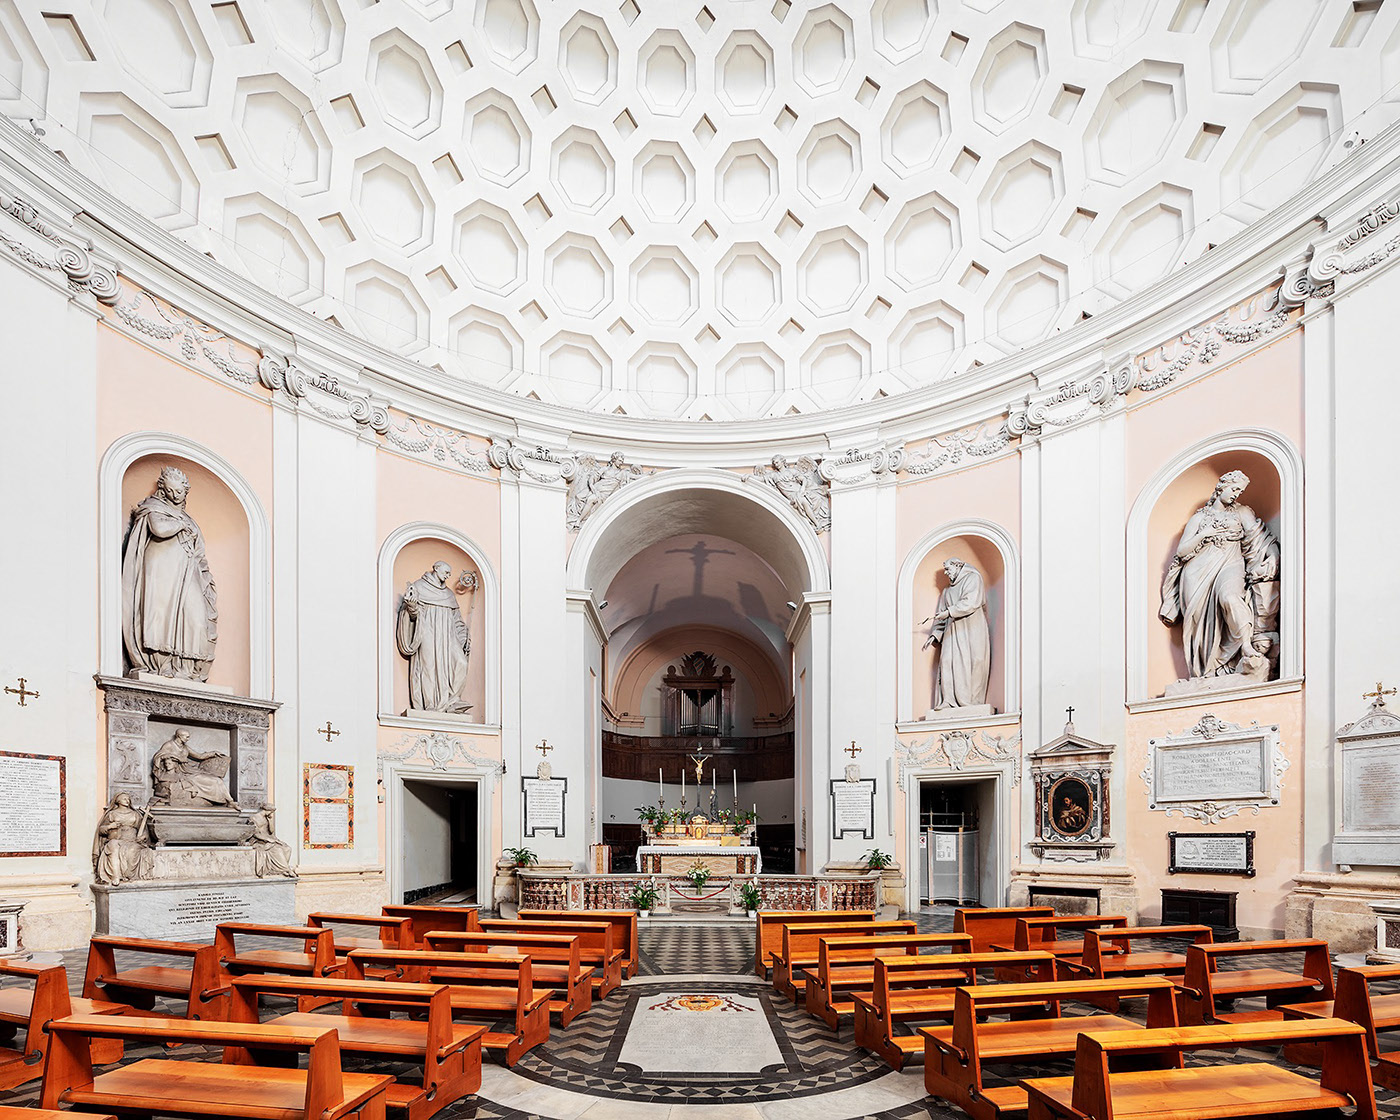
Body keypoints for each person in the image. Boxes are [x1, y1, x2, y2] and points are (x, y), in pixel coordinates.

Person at [1159, 470, 1280, 680]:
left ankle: (1246, 646)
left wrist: (1273, 555)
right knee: (1199, 621)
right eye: (1234, 489)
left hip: (1230, 565)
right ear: (1221, 487)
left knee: (1230, 597)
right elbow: (1183, 551)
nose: (1236, 494)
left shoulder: (1242, 513)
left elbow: (1260, 539)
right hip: (1197, 573)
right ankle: (1206, 670)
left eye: (1239, 491)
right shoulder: (1199, 519)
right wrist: (1204, 534)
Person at [120, 465, 218, 681]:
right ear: (163, 489)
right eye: (170, 490)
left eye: (179, 491)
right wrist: (180, 525)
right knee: (161, 614)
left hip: (188, 572)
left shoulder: (188, 519)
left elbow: (199, 550)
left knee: (195, 616)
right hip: (161, 570)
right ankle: (160, 665)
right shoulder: (153, 508)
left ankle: (186, 668)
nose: (175, 495)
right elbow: (160, 529)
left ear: (186, 491)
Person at [396, 561, 473, 713]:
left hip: (448, 636)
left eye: (450, 573)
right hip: (427, 631)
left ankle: (453, 701)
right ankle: (430, 704)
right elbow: (412, 615)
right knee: (428, 666)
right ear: (436, 569)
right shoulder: (419, 587)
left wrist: (464, 637)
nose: (448, 575)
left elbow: (457, 620)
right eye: (446, 572)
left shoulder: (449, 594)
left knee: (461, 662)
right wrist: (412, 606)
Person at [922, 558, 991, 709]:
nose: (946, 573)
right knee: (947, 661)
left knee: (973, 662)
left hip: (971, 628)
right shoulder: (946, 592)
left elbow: (971, 602)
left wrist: (949, 612)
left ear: (958, 566)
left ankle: (971, 701)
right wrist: (935, 635)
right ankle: (948, 700)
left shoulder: (973, 578)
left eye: (948, 569)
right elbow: (940, 615)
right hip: (951, 632)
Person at [150, 728, 238, 807]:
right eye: (186, 737)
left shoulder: (185, 747)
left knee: (217, 780)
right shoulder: (169, 745)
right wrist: (175, 757)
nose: (188, 739)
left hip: (188, 771)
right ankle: (228, 801)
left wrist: (213, 753)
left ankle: (230, 801)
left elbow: (199, 756)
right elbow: (158, 757)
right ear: (179, 736)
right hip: (180, 774)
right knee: (211, 781)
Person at [93, 793, 153, 885]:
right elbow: (101, 830)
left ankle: (128, 875)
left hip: (132, 840)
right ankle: (115, 875)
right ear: (118, 800)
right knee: (112, 846)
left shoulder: (135, 814)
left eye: (128, 799)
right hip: (116, 839)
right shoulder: (112, 814)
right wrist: (110, 826)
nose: (127, 801)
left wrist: (142, 837)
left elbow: (144, 830)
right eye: (124, 799)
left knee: (132, 850)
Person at [249, 803, 294, 878]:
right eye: (271, 811)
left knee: (287, 848)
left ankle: (280, 870)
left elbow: (271, 831)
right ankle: (286, 869)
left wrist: (270, 821)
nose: (271, 813)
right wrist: (268, 839)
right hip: (259, 840)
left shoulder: (267, 818)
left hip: (269, 838)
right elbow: (254, 833)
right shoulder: (254, 818)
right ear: (267, 810)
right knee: (277, 850)